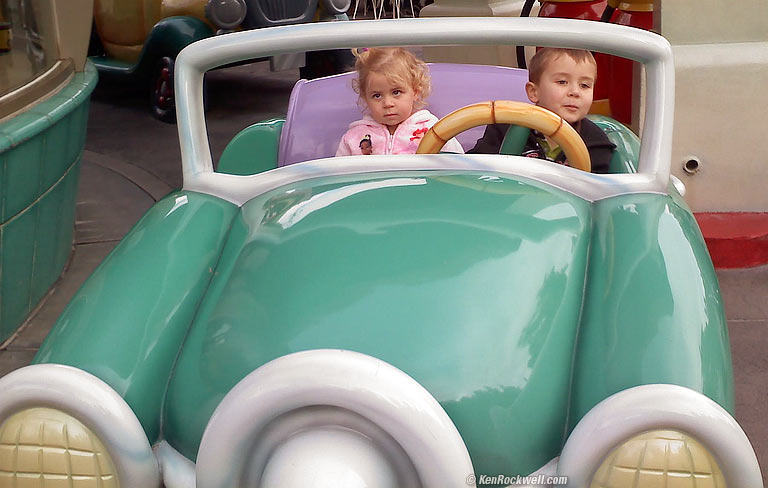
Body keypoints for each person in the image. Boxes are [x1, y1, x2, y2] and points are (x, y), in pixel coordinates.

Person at [468, 48, 615, 173]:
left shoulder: (596, 142)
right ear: (534, 92)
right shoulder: (505, 127)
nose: (575, 92)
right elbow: (475, 172)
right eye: (562, 82)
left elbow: (597, 192)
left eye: (585, 85)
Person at [336, 47, 464, 156]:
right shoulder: (354, 138)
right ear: (365, 98)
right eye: (377, 96)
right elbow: (337, 174)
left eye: (396, 92)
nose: (387, 103)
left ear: (415, 92)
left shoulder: (434, 131)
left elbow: (459, 166)